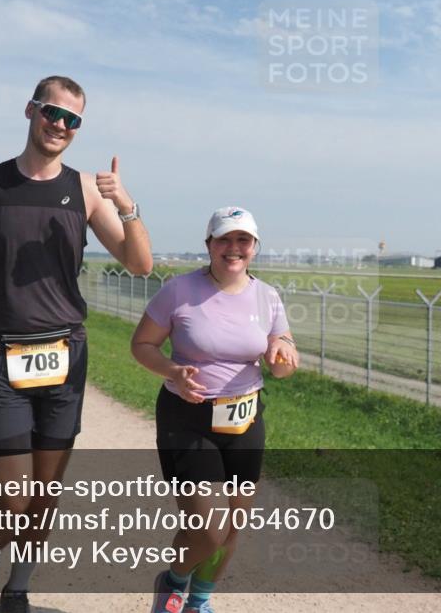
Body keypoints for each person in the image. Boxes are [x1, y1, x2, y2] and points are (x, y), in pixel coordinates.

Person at [0, 75, 152, 613]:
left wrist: (126, 205)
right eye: (52, 113)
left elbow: (140, 264)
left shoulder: (82, 191)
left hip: (64, 354)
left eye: (72, 120)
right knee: (11, 493)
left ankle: (20, 585)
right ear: (30, 110)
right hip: (0, 355)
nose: (60, 125)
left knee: (45, 492)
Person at [131, 206, 298, 613]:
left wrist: (282, 355)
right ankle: (173, 582)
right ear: (209, 245)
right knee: (206, 530)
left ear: (255, 247)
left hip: (245, 418)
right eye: (224, 239)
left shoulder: (267, 296)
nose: (233, 248)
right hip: (188, 417)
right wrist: (173, 370)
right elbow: (141, 345)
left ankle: (199, 602)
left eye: (243, 240)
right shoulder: (179, 291)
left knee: (233, 527)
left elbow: (284, 355)